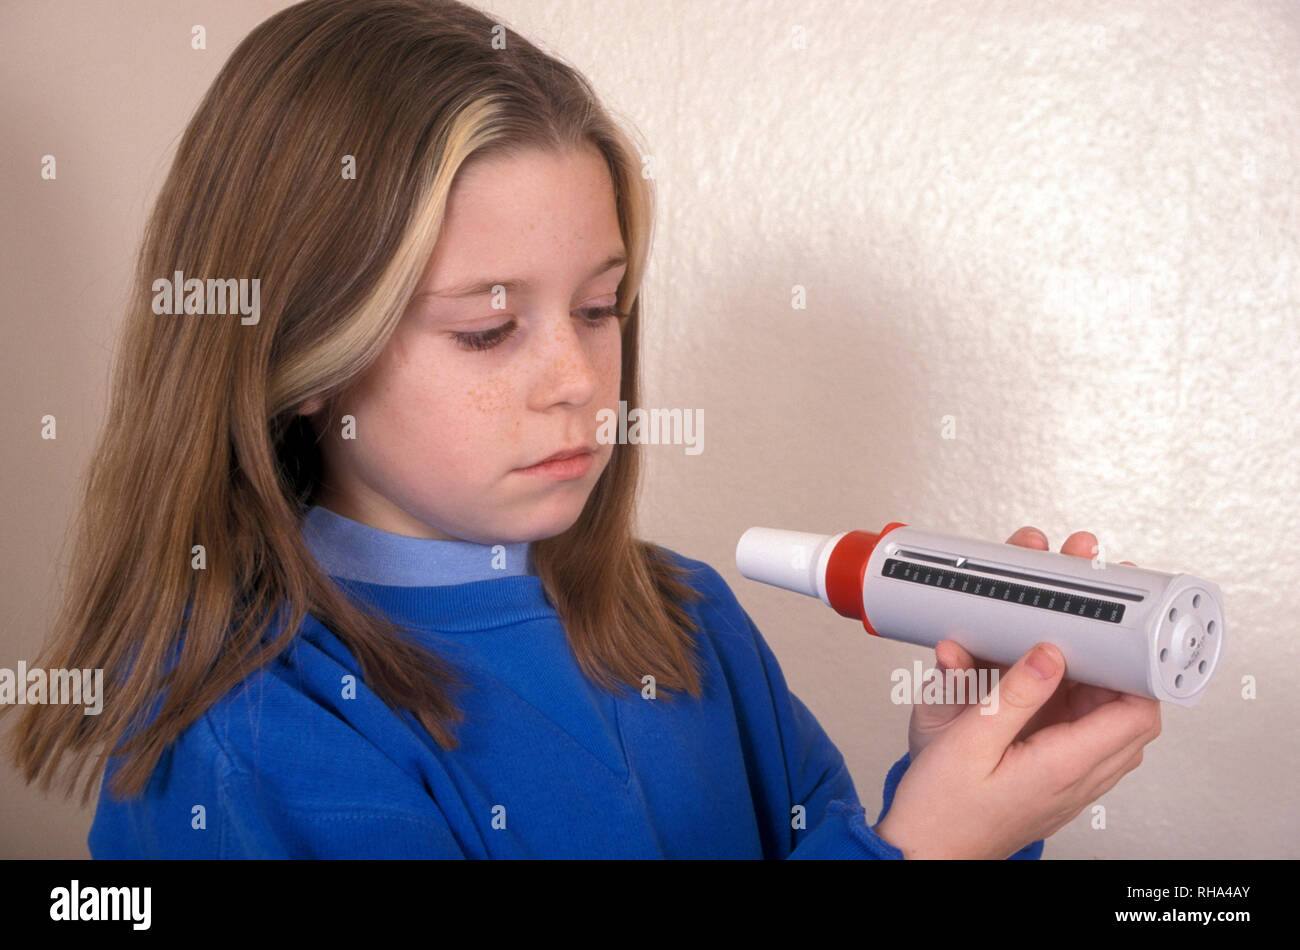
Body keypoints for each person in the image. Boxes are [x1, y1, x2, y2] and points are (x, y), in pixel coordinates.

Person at [4, 0, 1160, 859]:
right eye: (487, 327)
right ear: (303, 353)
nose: (577, 379)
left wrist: (972, 780)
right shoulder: (245, 747)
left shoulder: (688, 621)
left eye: (601, 307)